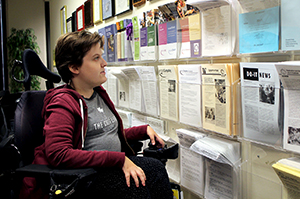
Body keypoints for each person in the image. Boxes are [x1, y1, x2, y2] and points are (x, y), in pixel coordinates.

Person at [20, 30, 173, 199]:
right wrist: (119, 159)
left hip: (107, 168)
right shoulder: (62, 102)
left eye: (101, 56)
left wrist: (142, 130)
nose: (104, 63)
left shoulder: (97, 93)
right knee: (137, 187)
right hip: (84, 177)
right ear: (74, 67)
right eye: (96, 58)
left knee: (156, 169)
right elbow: (58, 153)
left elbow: (102, 134)